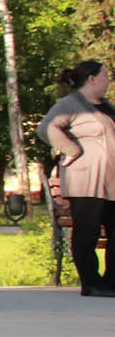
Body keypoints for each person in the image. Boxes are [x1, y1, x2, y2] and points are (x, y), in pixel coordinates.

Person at [42, 59, 115, 297]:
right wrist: (71, 149)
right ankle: (91, 284)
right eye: (105, 75)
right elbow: (46, 128)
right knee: (87, 234)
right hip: (86, 181)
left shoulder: (106, 106)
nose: (109, 80)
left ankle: (110, 283)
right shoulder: (70, 104)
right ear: (92, 79)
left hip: (111, 182)